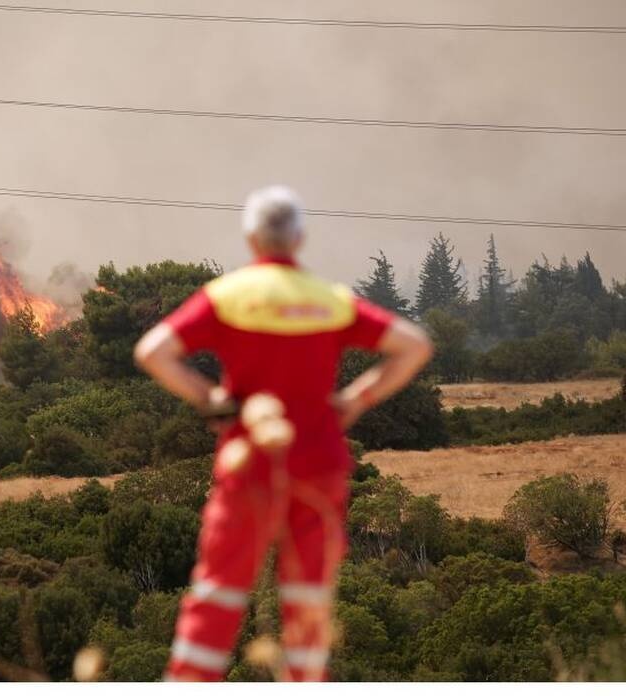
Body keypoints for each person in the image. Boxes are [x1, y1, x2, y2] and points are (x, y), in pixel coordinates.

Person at [134, 185, 434, 682]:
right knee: (308, 600)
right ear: (300, 238)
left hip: (248, 463)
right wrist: (354, 402)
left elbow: (152, 351)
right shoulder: (330, 300)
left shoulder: (227, 297)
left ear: (250, 237)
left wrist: (210, 400)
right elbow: (415, 345)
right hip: (320, 465)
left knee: (219, 592)